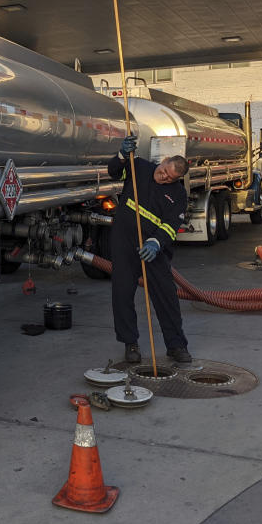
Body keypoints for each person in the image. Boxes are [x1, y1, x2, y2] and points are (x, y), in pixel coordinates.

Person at [107, 134, 192, 364]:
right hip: (124, 242)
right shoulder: (138, 167)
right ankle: (130, 344)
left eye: (170, 179)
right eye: (164, 172)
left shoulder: (178, 195)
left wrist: (156, 243)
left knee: (166, 296)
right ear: (163, 161)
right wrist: (122, 155)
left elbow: (171, 224)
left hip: (152, 247)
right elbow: (113, 171)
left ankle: (176, 345)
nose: (163, 178)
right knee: (122, 294)